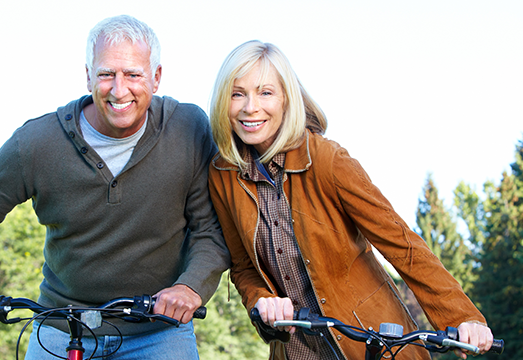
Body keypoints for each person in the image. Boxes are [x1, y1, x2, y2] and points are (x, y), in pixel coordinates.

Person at [0, 15, 229, 359]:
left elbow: (210, 227)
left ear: (156, 78)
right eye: (106, 74)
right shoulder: (38, 142)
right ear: (87, 77)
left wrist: (190, 287)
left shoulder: (188, 128)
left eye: (133, 75)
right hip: (59, 326)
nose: (119, 89)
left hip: (156, 331)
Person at [207, 40, 493, 360]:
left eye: (265, 92)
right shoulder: (222, 174)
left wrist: (462, 317)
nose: (250, 107)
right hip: (296, 350)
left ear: (287, 99)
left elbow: (401, 243)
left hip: (372, 344)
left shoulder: (327, 160)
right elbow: (244, 267)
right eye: (237, 93)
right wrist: (262, 300)